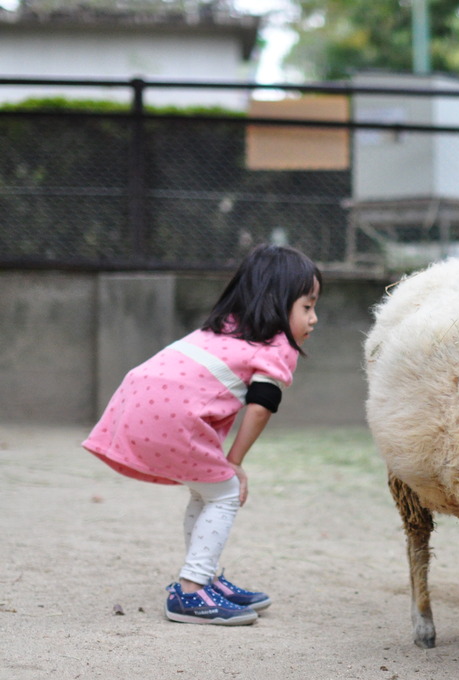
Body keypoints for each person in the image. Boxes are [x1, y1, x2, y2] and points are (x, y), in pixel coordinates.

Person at [83, 244, 321, 626]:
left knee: (207, 489)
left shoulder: (224, 326)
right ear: (278, 303)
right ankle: (191, 591)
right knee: (225, 492)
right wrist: (235, 462)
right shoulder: (277, 345)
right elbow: (261, 406)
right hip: (172, 416)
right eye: (307, 307)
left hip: (136, 400)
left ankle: (204, 579)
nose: (313, 319)